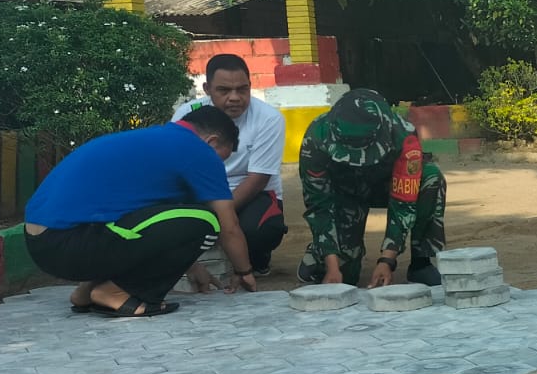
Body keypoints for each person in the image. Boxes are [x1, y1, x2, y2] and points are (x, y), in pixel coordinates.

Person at [23, 106, 257, 317]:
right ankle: (116, 292)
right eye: (221, 159)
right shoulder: (198, 150)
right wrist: (244, 271)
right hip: (70, 242)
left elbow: (149, 227)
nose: (217, 166)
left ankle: (88, 290)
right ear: (211, 142)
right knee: (206, 219)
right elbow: (229, 226)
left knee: (162, 217)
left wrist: (190, 266)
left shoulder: (153, 141)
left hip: (45, 244)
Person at [297, 88, 446, 287]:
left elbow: (404, 201)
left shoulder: (402, 135)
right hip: (345, 193)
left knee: (431, 178)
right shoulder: (315, 139)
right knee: (344, 279)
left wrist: (387, 260)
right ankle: (321, 253)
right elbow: (319, 205)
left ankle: (421, 263)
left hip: (385, 186)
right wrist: (332, 265)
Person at [172, 53, 288, 275]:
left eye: (242, 89)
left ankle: (257, 257)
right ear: (207, 89)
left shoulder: (269, 119)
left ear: (250, 86)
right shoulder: (187, 115)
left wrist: (216, 217)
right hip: (202, 191)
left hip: (253, 193)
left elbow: (257, 179)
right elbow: (177, 170)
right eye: (224, 90)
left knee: (259, 230)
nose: (235, 97)